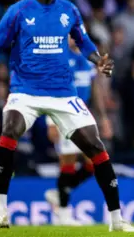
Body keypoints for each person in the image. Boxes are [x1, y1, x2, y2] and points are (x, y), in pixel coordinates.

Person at [0, 0, 134, 232]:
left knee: (97, 148)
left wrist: (98, 60)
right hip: (25, 90)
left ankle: (117, 221)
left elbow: (83, 41)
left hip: (63, 94)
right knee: (10, 129)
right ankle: (0, 207)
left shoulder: (69, 10)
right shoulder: (18, 11)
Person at [43, 36, 113, 226]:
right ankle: (63, 215)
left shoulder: (87, 59)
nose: (72, 38)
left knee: (93, 162)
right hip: (63, 113)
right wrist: (50, 120)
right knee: (69, 160)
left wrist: (104, 117)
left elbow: (95, 89)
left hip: (82, 115)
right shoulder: (60, 58)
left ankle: (59, 195)